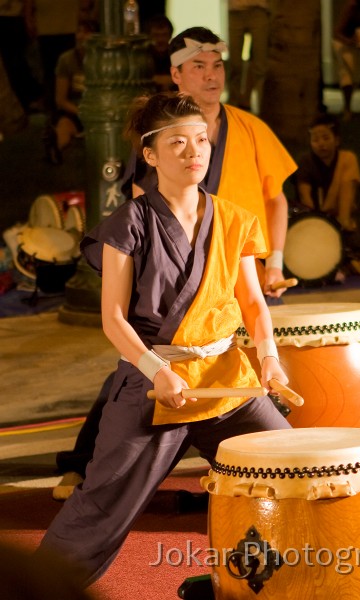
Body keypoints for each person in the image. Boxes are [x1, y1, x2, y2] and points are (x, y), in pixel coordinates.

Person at [36, 92, 292, 588]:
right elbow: (113, 318)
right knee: (102, 505)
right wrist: (159, 370)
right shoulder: (127, 224)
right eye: (177, 142)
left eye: (201, 140)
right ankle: (36, 588)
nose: (194, 151)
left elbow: (255, 303)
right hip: (156, 385)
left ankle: (275, 582)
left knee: (290, 471)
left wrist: (270, 358)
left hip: (224, 378)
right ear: (150, 155)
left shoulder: (235, 218)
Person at [52, 25, 297, 500]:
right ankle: (83, 476)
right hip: (163, 344)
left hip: (223, 332)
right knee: (110, 484)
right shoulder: (141, 205)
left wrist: (268, 350)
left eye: (217, 65)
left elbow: (275, 203)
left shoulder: (245, 136)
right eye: (198, 67)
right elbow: (122, 303)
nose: (211, 76)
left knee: (288, 469)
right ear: (177, 75)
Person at [294, 112, 360, 278]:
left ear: (337, 140)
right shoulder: (306, 162)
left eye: (326, 138)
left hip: (340, 221)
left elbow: (349, 190)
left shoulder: (347, 159)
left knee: (355, 244)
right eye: (316, 140)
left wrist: (343, 221)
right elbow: (305, 199)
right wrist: (318, 226)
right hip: (314, 222)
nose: (321, 144)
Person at [42, 18, 98, 165]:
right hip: (75, 110)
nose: (81, 36)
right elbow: (60, 100)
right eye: (79, 32)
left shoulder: (103, 59)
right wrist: (83, 113)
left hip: (99, 110)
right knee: (65, 126)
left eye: (86, 32)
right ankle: (55, 150)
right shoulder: (67, 60)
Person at [227, 0, 271, 113]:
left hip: (259, 10)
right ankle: (232, 106)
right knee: (235, 64)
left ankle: (262, 106)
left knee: (260, 66)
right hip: (235, 11)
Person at [144, 13, 176, 92]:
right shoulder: (143, 56)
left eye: (164, 35)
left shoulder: (177, 54)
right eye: (156, 35)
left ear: (170, 35)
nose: (160, 39)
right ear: (149, 36)